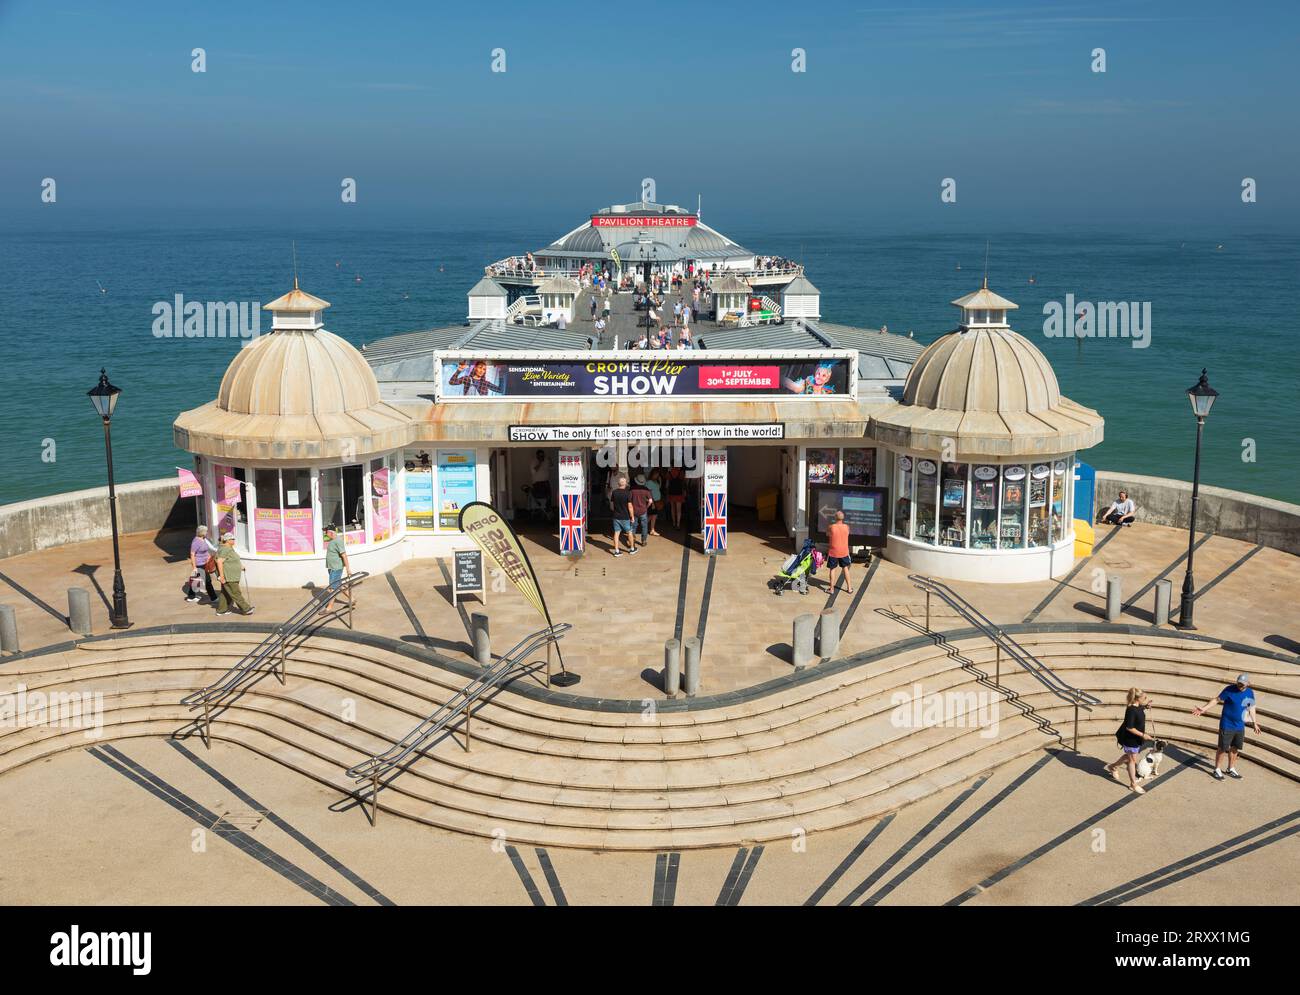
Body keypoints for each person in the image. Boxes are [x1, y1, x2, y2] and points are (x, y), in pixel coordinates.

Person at [1193, 674, 1261, 780]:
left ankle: (1230, 768)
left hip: (1239, 725)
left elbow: (1251, 707)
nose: (1239, 686)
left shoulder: (1250, 692)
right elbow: (1216, 700)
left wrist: (1254, 723)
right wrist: (1204, 709)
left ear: (1248, 683)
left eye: (1242, 684)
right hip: (1227, 724)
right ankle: (1217, 769)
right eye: (1238, 683)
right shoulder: (1229, 690)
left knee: (1235, 748)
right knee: (1223, 748)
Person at [1105, 688, 1154, 793]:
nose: (1145, 699)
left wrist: (1145, 707)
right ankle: (1133, 784)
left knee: (1129, 756)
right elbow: (1129, 727)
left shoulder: (1138, 706)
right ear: (1137, 698)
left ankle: (1112, 767)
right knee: (1132, 760)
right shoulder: (1131, 710)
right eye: (1144, 698)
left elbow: (1139, 710)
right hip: (1130, 739)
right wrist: (1143, 735)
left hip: (1136, 738)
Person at [215, 532, 253, 616]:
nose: (234, 540)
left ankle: (221, 610)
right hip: (229, 576)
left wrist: (240, 566)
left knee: (225, 593)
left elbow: (232, 559)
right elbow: (219, 561)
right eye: (232, 539)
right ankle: (246, 609)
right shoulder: (225, 549)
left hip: (231, 576)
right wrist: (221, 576)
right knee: (235, 593)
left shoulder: (229, 548)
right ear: (227, 540)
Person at [186, 525, 218, 603]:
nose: (207, 532)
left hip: (205, 563)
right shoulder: (196, 542)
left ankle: (190, 596)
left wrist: (209, 557)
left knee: (196, 581)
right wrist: (194, 567)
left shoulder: (204, 539)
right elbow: (192, 554)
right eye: (206, 531)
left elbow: (205, 550)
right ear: (203, 533)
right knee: (207, 581)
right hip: (199, 564)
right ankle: (213, 598)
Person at [323, 525, 352, 611]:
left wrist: (348, 569)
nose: (325, 534)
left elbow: (344, 555)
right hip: (332, 568)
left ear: (331, 533)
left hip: (336, 569)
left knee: (332, 588)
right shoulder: (333, 541)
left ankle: (329, 607)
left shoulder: (338, 541)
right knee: (338, 585)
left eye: (326, 532)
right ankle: (352, 599)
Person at [609, 475, 638, 556]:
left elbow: (613, 504)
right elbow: (630, 506)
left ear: (618, 484)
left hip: (616, 516)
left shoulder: (614, 492)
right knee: (629, 532)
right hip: (625, 516)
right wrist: (632, 516)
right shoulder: (628, 493)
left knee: (616, 533)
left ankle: (616, 551)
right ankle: (632, 549)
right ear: (625, 484)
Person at [825, 510, 853, 593]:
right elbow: (847, 534)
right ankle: (849, 588)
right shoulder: (847, 527)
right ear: (843, 518)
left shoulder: (831, 527)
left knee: (832, 569)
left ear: (835, 518)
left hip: (833, 552)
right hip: (844, 551)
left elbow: (827, 534)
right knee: (845, 568)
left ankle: (831, 589)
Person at [630, 474, 654, 546]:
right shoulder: (646, 489)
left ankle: (632, 540)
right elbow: (650, 501)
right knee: (644, 526)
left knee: (633, 526)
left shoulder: (632, 489)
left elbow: (629, 500)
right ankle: (643, 541)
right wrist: (646, 507)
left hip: (634, 510)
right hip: (643, 510)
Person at [530, 449, 552, 515]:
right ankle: (540, 511)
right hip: (538, 483)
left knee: (549, 497)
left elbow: (551, 467)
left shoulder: (546, 460)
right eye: (540, 456)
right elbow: (533, 471)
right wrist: (540, 463)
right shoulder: (533, 462)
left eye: (543, 455)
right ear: (537, 456)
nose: (542, 457)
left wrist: (550, 461)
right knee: (540, 498)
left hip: (546, 482)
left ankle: (548, 511)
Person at [646, 469, 663, 537]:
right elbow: (648, 493)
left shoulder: (656, 481)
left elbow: (658, 488)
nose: (657, 475)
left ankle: (651, 529)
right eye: (656, 474)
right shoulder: (649, 482)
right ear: (653, 474)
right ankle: (650, 529)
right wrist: (652, 502)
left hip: (657, 501)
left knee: (652, 515)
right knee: (652, 515)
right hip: (653, 502)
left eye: (658, 474)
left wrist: (660, 480)